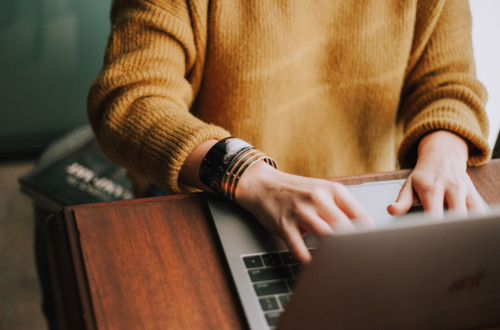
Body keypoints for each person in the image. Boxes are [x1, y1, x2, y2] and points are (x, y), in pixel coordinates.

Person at [87, 0, 491, 265]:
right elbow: (130, 100)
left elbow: (448, 84)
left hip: (363, 211)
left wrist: (445, 152)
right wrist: (250, 175)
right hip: (213, 201)